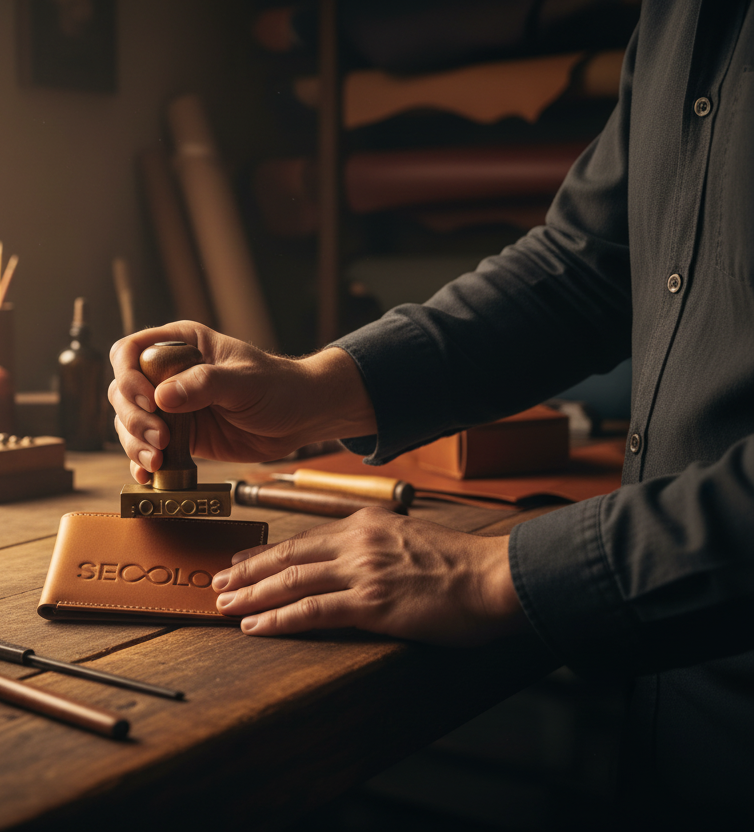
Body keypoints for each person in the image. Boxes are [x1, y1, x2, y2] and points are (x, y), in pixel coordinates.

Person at [108, 2, 752, 826]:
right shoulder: (678, 17)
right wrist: (314, 390)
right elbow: (586, 267)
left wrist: (491, 573)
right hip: (673, 721)